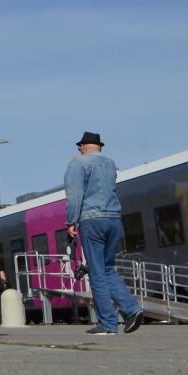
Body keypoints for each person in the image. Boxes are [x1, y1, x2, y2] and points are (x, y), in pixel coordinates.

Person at [65, 131, 145, 335]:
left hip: (92, 220)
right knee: (108, 268)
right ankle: (132, 310)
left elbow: (75, 195)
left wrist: (71, 222)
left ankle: (108, 324)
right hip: (115, 219)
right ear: (99, 146)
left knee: (97, 271)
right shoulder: (110, 164)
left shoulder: (78, 164)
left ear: (83, 146)